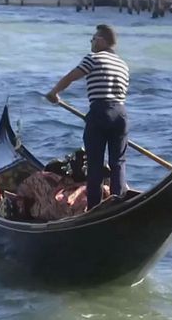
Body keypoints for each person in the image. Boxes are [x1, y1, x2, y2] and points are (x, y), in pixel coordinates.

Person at [46, 24, 129, 211]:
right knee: (118, 163)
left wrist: (54, 92)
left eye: (93, 39)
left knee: (95, 165)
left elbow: (71, 77)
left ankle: (94, 209)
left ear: (102, 41)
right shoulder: (123, 65)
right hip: (121, 115)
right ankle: (118, 204)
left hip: (100, 111)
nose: (91, 42)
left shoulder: (93, 58)